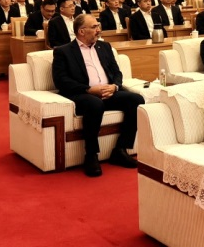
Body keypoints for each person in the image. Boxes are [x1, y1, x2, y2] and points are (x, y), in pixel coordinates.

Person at [52, 13, 144, 177]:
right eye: (94, 27)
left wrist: (114, 86)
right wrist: (89, 89)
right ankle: (91, 155)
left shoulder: (105, 47)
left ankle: (120, 149)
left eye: (98, 26)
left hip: (108, 92)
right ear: (81, 31)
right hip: (82, 94)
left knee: (136, 99)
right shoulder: (63, 51)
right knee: (95, 104)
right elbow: (61, 81)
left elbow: (117, 72)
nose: (98, 30)